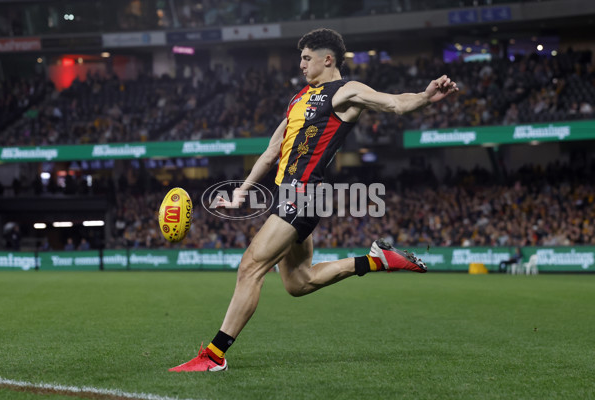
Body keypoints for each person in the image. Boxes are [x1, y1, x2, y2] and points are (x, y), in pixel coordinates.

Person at [169, 28, 458, 372]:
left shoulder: (345, 91)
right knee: (298, 282)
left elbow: (394, 103)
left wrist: (425, 96)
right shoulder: (298, 99)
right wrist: (239, 195)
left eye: (306, 58)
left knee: (250, 266)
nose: (301, 64)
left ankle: (214, 355)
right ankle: (377, 260)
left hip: (302, 194)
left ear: (328, 59)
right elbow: (271, 151)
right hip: (288, 194)